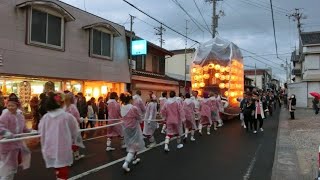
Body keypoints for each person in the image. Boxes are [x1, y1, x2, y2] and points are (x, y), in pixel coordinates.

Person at [38, 92, 84, 180]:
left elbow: (41, 131)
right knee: (63, 171)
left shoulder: (45, 117)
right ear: (61, 103)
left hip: (50, 147)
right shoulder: (67, 117)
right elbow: (75, 131)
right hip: (62, 148)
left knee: (58, 169)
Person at [0, 93, 34, 180]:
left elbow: (23, 128)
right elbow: (0, 126)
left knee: (12, 166)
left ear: (17, 105)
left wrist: (30, 131)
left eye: (13, 105)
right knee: (6, 167)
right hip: (6, 145)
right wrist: (5, 132)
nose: (10, 107)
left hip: (16, 143)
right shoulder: (5, 115)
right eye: (9, 105)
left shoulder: (20, 115)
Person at [120, 93, 145, 172]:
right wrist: (141, 120)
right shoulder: (133, 108)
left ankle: (135, 158)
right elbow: (139, 117)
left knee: (131, 143)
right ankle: (126, 163)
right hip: (134, 128)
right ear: (130, 99)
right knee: (134, 145)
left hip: (126, 128)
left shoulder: (122, 107)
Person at [64, 92, 85, 161]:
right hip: (73, 128)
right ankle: (69, 159)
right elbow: (76, 118)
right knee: (74, 142)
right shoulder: (72, 107)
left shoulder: (64, 107)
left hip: (66, 127)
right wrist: (81, 119)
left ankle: (76, 156)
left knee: (69, 142)